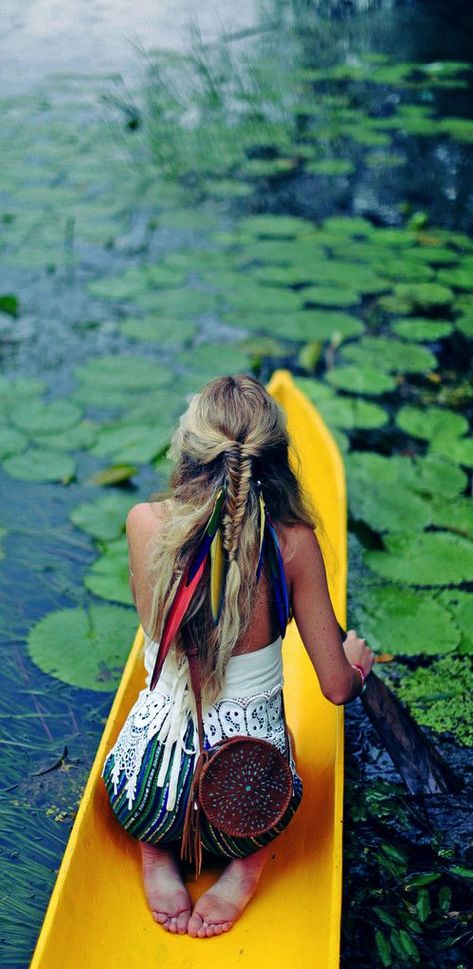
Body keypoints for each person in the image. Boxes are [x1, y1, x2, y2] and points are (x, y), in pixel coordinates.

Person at [101, 373, 375, 939]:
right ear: (273, 462)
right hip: (243, 816)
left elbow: (158, 622)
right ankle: (243, 870)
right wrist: (356, 661)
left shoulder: (144, 524)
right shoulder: (294, 542)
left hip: (141, 794)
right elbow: (335, 688)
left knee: (156, 734)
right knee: (287, 745)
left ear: (190, 450)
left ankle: (156, 856)